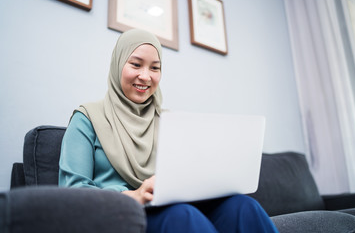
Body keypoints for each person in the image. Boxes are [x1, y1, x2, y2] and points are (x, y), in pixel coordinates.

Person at [58, 28, 278, 233]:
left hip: (174, 207)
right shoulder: (86, 118)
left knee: (243, 206)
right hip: (121, 215)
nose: (146, 76)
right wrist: (133, 195)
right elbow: (72, 192)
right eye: (136, 64)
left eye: (155, 67)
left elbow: (188, 176)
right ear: (117, 65)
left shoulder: (169, 121)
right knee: (182, 216)